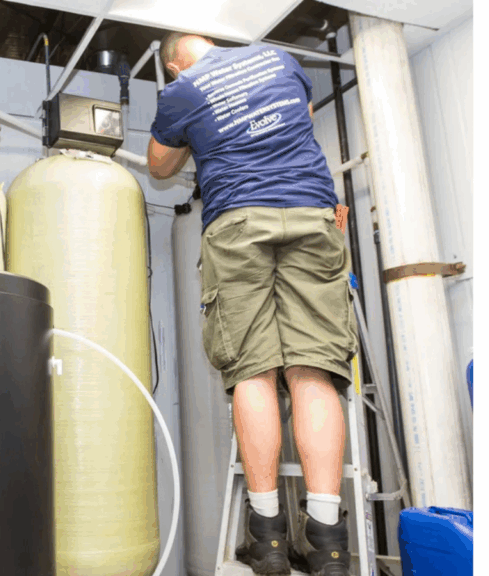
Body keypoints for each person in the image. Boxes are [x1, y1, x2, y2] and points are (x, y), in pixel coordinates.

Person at [147, 32, 358, 576]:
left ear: (174, 65)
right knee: (314, 371)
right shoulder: (279, 58)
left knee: (253, 371)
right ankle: (329, 542)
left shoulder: (183, 89)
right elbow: (303, 115)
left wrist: (199, 130)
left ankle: (265, 538)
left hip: (239, 220)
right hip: (313, 214)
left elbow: (159, 166)